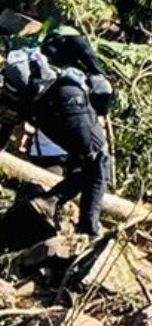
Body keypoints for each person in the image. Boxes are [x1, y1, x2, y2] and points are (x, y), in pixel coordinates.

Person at [1, 45, 112, 239]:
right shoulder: (74, 87)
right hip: (66, 104)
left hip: (45, 116)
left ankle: (51, 203)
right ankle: (88, 230)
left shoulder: (16, 93)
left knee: (84, 166)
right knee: (99, 160)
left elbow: (5, 126)